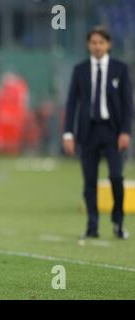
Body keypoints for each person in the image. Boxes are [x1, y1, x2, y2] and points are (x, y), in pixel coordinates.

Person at [63, 27, 133, 240]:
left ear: (108, 45)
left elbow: (127, 103)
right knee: (89, 181)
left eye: (101, 42)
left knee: (116, 176)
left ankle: (118, 222)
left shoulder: (120, 69)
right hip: (88, 131)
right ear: (88, 45)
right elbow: (72, 103)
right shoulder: (80, 70)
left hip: (112, 132)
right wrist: (68, 133)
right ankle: (92, 225)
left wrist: (125, 131)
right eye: (93, 42)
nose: (97, 46)